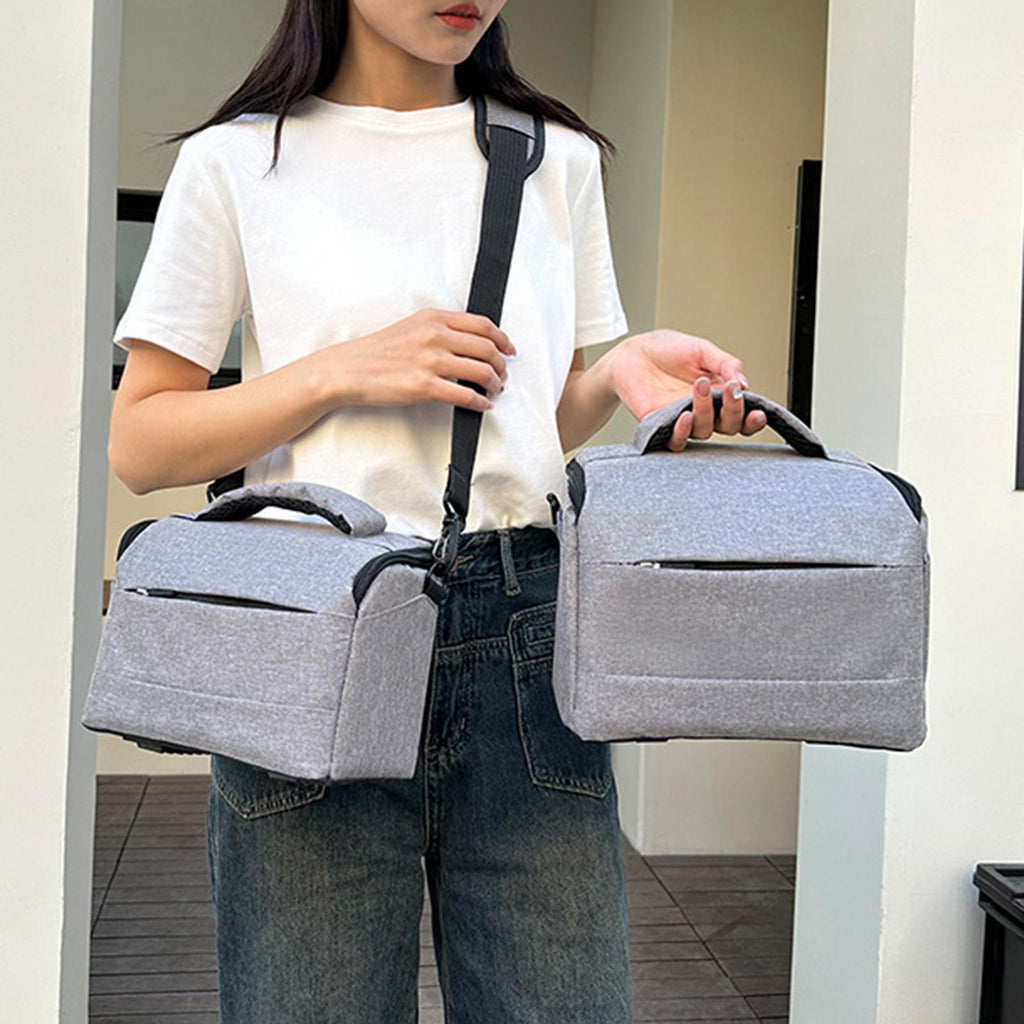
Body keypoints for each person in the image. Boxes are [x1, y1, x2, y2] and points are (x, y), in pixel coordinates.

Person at [108, 1, 769, 1021]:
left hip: (523, 627)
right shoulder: (237, 161)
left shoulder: (553, 159)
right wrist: (343, 370)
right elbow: (143, 442)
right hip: (317, 633)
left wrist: (614, 376)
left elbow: (528, 425)